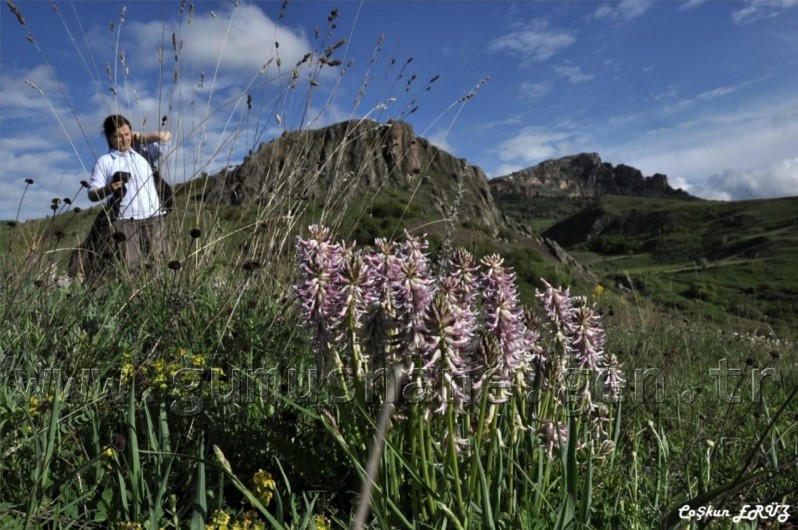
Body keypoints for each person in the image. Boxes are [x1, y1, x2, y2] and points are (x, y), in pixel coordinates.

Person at [82, 114, 172, 273]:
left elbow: (165, 138)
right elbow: (92, 193)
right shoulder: (105, 161)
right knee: (133, 269)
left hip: (155, 217)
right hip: (125, 222)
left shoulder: (142, 151)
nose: (124, 140)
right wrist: (109, 188)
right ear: (109, 138)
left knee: (160, 266)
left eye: (127, 134)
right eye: (118, 136)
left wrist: (143, 137)